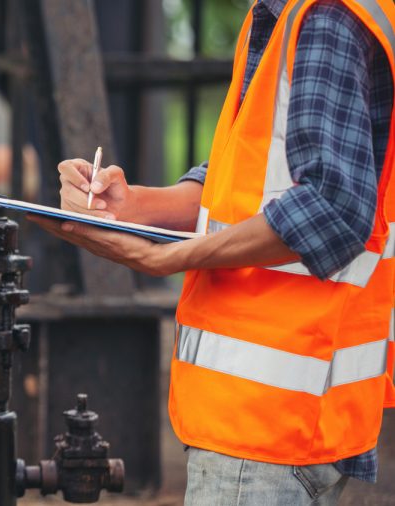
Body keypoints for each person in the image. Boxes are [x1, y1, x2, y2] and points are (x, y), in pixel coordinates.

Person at [29, 0, 395, 504]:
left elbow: (331, 207)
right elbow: (249, 185)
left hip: (266, 423)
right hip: (275, 420)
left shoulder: (324, 16)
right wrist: (133, 205)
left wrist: (171, 259)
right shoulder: (286, 16)